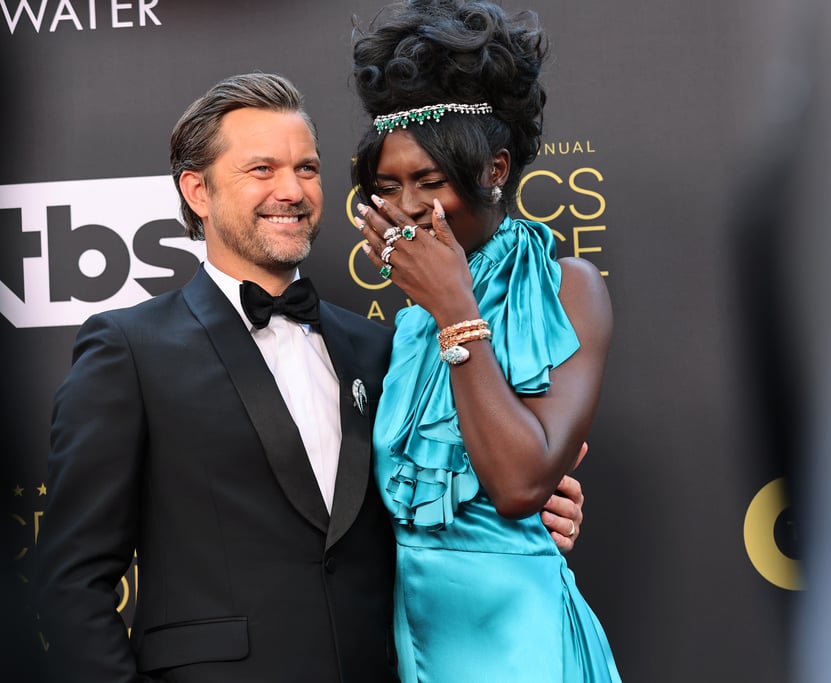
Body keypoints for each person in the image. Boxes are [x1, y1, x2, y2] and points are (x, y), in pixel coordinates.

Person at [34, 71, 584, 683]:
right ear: (198, 191)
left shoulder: (384, 346)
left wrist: (535, 512)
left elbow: (443, 492)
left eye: (307, 169)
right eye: (261, 170)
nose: (291, 191)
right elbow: (72, 584)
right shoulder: (130, 349)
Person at [349, 2, 620, 680]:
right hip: (420, 646)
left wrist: (453, 307)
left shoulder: (567, 288)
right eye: (388, 187)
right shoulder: (405, 328)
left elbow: (521, 481)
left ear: (495, 169)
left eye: (429, 182)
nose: (407, 207)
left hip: (523, 647)